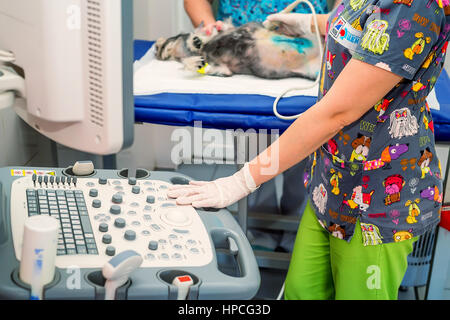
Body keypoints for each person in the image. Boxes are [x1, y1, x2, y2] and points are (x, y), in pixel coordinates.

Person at [170, 0, 449, 300]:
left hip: (378, 203)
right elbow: (362, 24)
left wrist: (243, 180)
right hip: (329, 185)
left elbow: (336, 113)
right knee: (301, 292)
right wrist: (311, 24)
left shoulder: (414, 7)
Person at [182, 0, 333, 253]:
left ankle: (299, 227)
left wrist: (330, 23)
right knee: (253, 151)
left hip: (308, 52)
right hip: (244, 54)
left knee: (306, 153)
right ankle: (260, 228)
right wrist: (213, 33)